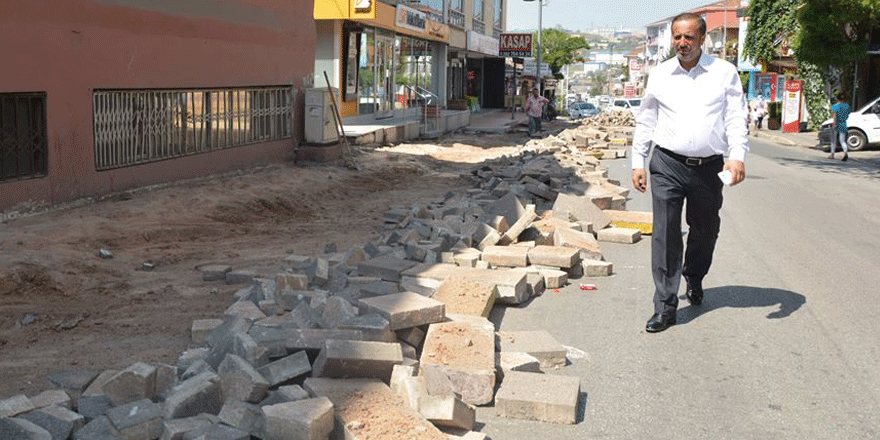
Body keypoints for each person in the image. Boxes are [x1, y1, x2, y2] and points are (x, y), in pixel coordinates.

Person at [631, 12, 748, 333]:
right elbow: (646, 119)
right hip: (666, 163)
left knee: (706, 228)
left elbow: (737, 116)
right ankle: (665, 307)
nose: (682, 43)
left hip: (709, 167)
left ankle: (694, 276)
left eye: (689, 38)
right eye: (677, 37)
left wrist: (736, 156)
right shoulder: (660, 74)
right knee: (666, 233)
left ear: (702, 39)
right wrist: (637, 161)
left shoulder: (724, 73)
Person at [829, 93, 851, 161]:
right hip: (843, 124)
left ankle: (832, 154)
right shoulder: (847, 106)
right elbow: (847, 115)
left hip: (837, 124)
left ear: (837, 99)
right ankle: (845, 153)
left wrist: (834, 123)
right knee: (842, 140)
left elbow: (835, 115)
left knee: (833, 140)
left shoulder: (835, 106)